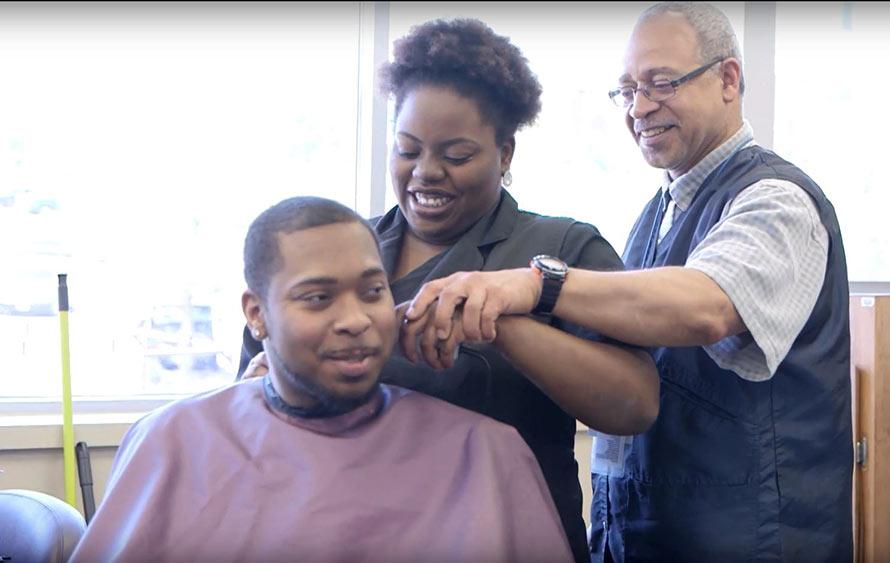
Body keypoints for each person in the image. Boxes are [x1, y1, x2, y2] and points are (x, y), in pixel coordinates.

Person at [400, 3, 853, 562]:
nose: (639, 106)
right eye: (627, 89)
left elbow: (707, 306)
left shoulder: (776, 201)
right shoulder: (654, 217)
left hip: (752, 541)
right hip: (641, 537)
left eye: (661, 83)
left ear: (728, 80)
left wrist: (535, 287)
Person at [237, 18, 659, 563]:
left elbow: (635, 403)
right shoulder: (338, 258)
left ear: (504, 154)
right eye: (408, 149)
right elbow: (249, 407)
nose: (426, 173)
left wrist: (504, 323)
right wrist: (258, 389)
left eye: (456, 156)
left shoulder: (561, 249)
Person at [70, 196, 573, 563]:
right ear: (256, 314)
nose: (355, 319)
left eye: (373, 291)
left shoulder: (483, 454)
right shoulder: (173, 442)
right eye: (317, 297)